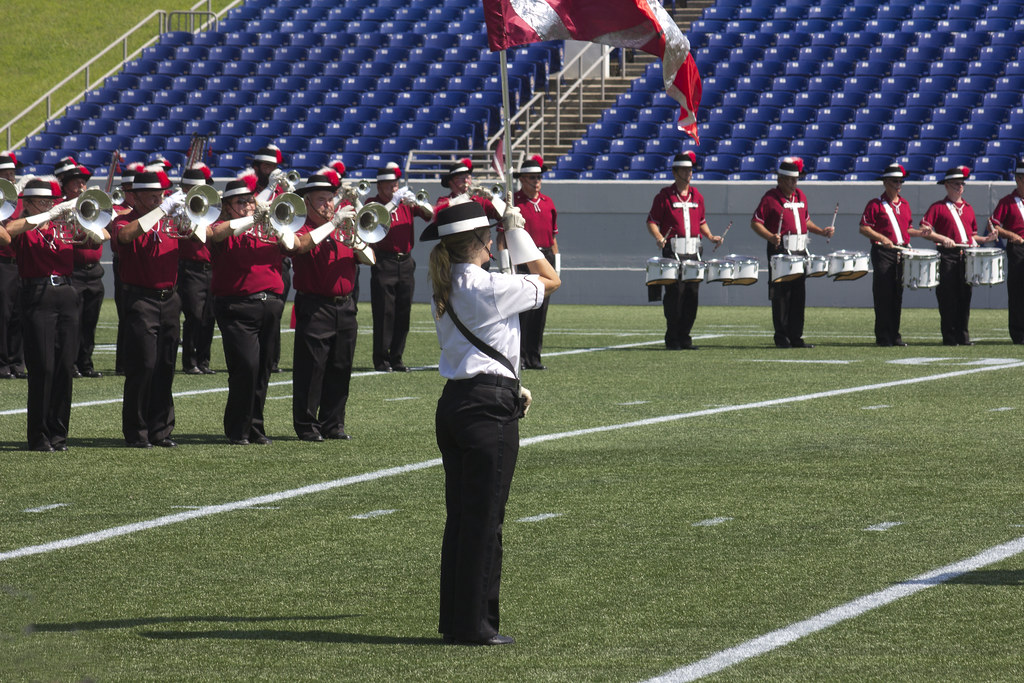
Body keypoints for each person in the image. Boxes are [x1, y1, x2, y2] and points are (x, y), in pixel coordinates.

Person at [425, 200, 560, 646]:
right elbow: (551, 278)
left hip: (458, 402)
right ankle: (475, 625)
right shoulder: (488, 285)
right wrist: (521, 236)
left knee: (462, 519)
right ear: (482, 241)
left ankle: (457, 620)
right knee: (485, 521)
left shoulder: (446, 284)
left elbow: (482, 346)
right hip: (486, 409)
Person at [2, 177, 89, 451]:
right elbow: (8, 231)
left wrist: (78, 216)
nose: (50, 206)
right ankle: (38, 435)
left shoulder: (60, 223)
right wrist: (45, 215)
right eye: (42, 201)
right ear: (26, 204)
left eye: (52, 201)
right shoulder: (23, 224)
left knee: (65, 366)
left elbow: (102, 235)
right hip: (37, 294)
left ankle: (59, 433)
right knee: (43, 367)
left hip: (66, 292)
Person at [289, 173, 370, 441]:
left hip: (345, 306)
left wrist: (355, 234)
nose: (328, 204)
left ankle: (333, 424)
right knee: (311, 369)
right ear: (308, 204)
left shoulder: (343, 228)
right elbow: (299, 246)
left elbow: (369, 258)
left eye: (330, 199)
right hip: (315, 306)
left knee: (340, 366)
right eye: (321, 200)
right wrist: (333, 223)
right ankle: (307, 425)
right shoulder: (302, 227)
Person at [207, 178, 287, 445]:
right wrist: (252, 220)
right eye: (241, 202)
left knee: (263, 369)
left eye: (250, 201)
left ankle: (255, 427)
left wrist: (276, 221)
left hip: (270, 304)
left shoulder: (267, 226)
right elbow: (216, 234)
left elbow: (292, 245)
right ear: (228, 207)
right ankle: (237, 428)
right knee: (246, 367)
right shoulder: (224, 227)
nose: (248, 206)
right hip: (237, 305)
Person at [113, 170, 184, 448]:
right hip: (140, 299)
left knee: (165, 365)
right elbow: (126, 237)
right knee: (143, 364)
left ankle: (161, 430)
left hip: (170, 298)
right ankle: (136, 430)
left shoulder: (169, 221)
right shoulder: (123, 221)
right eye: (153, 195)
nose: (159, 199)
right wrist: (162, 210)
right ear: (137, 198)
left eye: (161, 195)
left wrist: (186, 215)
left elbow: (201, 238)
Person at [751, 156, 835, 348]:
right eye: (789, 179)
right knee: (781, 295)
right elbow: (755, 223)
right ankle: (781, 337)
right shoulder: (770, 198)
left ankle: (796, 336)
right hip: (780, 249)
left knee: (798, 295)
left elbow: (805, 221)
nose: (792, 183)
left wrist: (821, 232)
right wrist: (771, 237)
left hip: (800, 249)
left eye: (795, 179)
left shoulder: (801, 196)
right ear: (780, 179)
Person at [645, 152, 723, 350]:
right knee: (674, 295)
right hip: (673, 252)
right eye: (684, 170)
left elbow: (702, 222)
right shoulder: (664, 196)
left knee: (691, 295)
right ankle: (672, 338)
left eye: (690, 169)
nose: (689, 173)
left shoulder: (698, 196)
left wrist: (711, 236)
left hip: (694, 252)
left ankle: (685, 336)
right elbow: (652, 221)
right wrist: (659, 237)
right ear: (675, 172)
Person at [920, 166, 997, 346]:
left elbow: (970, 236)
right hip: (947, 255)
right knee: (948, 296)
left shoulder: (968, 208)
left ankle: (963, 336)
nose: (960, 187)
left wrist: (986, 238)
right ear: (947, 186)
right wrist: (942, 238)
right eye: (956, 184)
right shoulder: (938, 207)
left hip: (966, 255)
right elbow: (925, 229)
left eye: (962, 184)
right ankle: (949, 336)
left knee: (964, 295)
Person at [367, 162, 432, 372]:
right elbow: (373, 219)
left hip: (405, 261)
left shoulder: (405, 204)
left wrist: (419, 203)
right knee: (384, 312)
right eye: (389, 185)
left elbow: (429, 215)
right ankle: (381, 359)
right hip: (384, 260)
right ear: (379, 187)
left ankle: (397, 357)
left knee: (403, 311)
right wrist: (394, 202)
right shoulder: (373, 203)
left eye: (395, 184)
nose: (394, 188)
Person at [858, 162, 932, 347]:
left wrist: (920, 233)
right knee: (883, 294)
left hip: (901, 252)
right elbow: (864, 227)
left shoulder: (905, 204)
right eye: (895, 181)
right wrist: (882, 238)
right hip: (883, 253)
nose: (898, 185)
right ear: (885, 182)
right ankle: (883, 336)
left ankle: (895, 334)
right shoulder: (875, 204)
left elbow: (906, 230)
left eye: (900, 181)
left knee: (897, 294)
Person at [60, 163, 107, 377]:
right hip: (74, 271)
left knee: (90, 322)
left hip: (94, 272)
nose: (81, 186)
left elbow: (106, 233)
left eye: (83, 182)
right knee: (73, 322)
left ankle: (85, 363)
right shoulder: (62, 208)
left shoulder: (90, 205)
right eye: (76, 182)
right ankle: (70, 364)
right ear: (66, 186)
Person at [177, 165, 217, 374]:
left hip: (211, 268)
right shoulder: (178, 209)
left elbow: (214, 233)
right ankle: (190, 361)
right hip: (190, 268)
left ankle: (204, 360)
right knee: (194, 315)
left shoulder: (210, 209)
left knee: (209, 316)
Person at [988, 157, 1024, 344]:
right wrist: (1011, 234)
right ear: (1018, 180)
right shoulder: (1007, 201)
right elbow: (994, 225)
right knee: (1018, 290)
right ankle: (1018, 333)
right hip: (1018, 248)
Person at [0, 152, 26, 379]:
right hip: (2, 263)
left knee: (19, 313)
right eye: (6, 174)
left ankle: (17, 362)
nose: (11, 177)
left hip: (20, 263)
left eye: (12, 173)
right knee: (3, 315)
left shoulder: (17, 201)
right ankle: (2, 363)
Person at [433, 158, 503, 221]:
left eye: (468, 177)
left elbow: (501, 216)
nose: (466, 180)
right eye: (461, 177)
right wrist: (466, 196)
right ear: (451, 182)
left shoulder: (481, 200)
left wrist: (493, 199)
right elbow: (439, 213)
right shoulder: (444, 200)